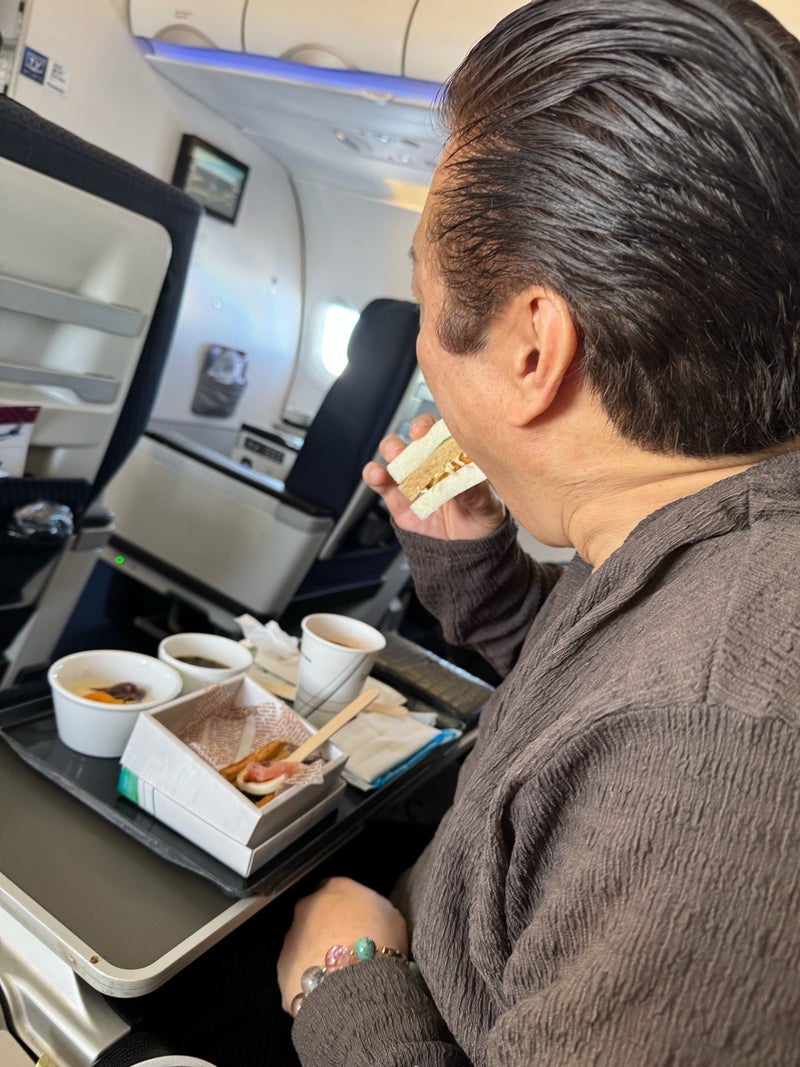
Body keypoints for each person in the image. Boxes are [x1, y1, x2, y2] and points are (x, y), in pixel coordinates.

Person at [277, 1, 800, 1063]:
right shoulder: (711, 542)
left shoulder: (719, 741)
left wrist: (344, 981)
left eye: (422, 295)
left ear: (531, 349)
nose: (423, 343)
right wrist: (473, 557)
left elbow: (650, 714)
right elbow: (590, 684)